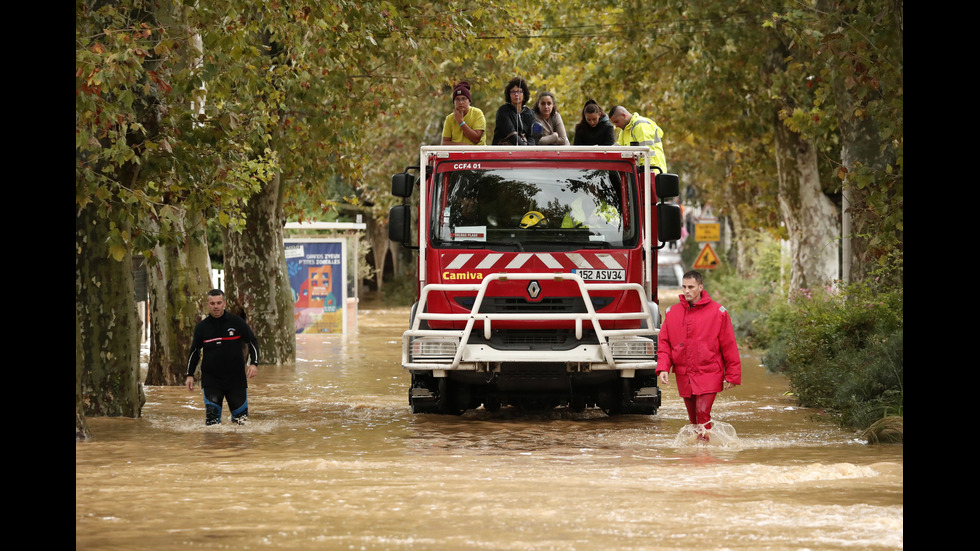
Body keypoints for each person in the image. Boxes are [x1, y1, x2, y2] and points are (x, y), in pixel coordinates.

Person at [656, 270, 741, 441]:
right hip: (684, 375)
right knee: (694, 421)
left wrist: (732, 375)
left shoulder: (719, 312)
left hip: (709, 372)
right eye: (684, 287)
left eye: (691, 287)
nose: (686, 291)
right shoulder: (672, 313)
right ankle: (699, 455)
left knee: (703, 414)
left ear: (700, 287)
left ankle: (704, 458)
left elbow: (729, 345)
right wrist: (663, 367)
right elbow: (664, 343)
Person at [185, 289, 260, 425]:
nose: (216, 306)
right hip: (211, 381)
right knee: (212, 423)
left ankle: (235, 446)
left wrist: (254, 363)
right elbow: (194, 351)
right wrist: (189, 374)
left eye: (219, 303)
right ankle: (215, 446)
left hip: (236, 380)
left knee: (241, 423)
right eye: (212, 303)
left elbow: (252, 341)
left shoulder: (236, 322)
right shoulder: (202, 327)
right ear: (208, 304)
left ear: (224, 303)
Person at [608, 105, 667, 171]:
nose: (616, 125)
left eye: (616, 121)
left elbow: (647, 152)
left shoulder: (640, 125)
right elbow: (618, 148)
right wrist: (601, 150)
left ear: (624, 115)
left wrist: (649, 173)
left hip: (654, 172)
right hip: (640, 173)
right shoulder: (624, 131)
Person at [492, 77, 536, 146]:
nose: (516, 94)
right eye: (513, 92)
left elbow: (532, 136)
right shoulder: (503, 111)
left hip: (525, 151)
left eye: (519, 91)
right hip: (504, 151)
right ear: (509, 95)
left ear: (524, 95)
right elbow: (511, 134)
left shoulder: (530, 113)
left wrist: (530, 150)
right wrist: (525, 149)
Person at [442, 81, 486, 145]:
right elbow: (444, 143)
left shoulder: (477, 113)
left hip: (477, 153)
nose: (461, 102)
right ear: (454, 102)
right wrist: (461, 146)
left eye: (464, 99)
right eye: (457, 99)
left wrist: (461, 122)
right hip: (458, 153)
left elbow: (476, 139)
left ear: (469, 101)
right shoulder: (449, 118)